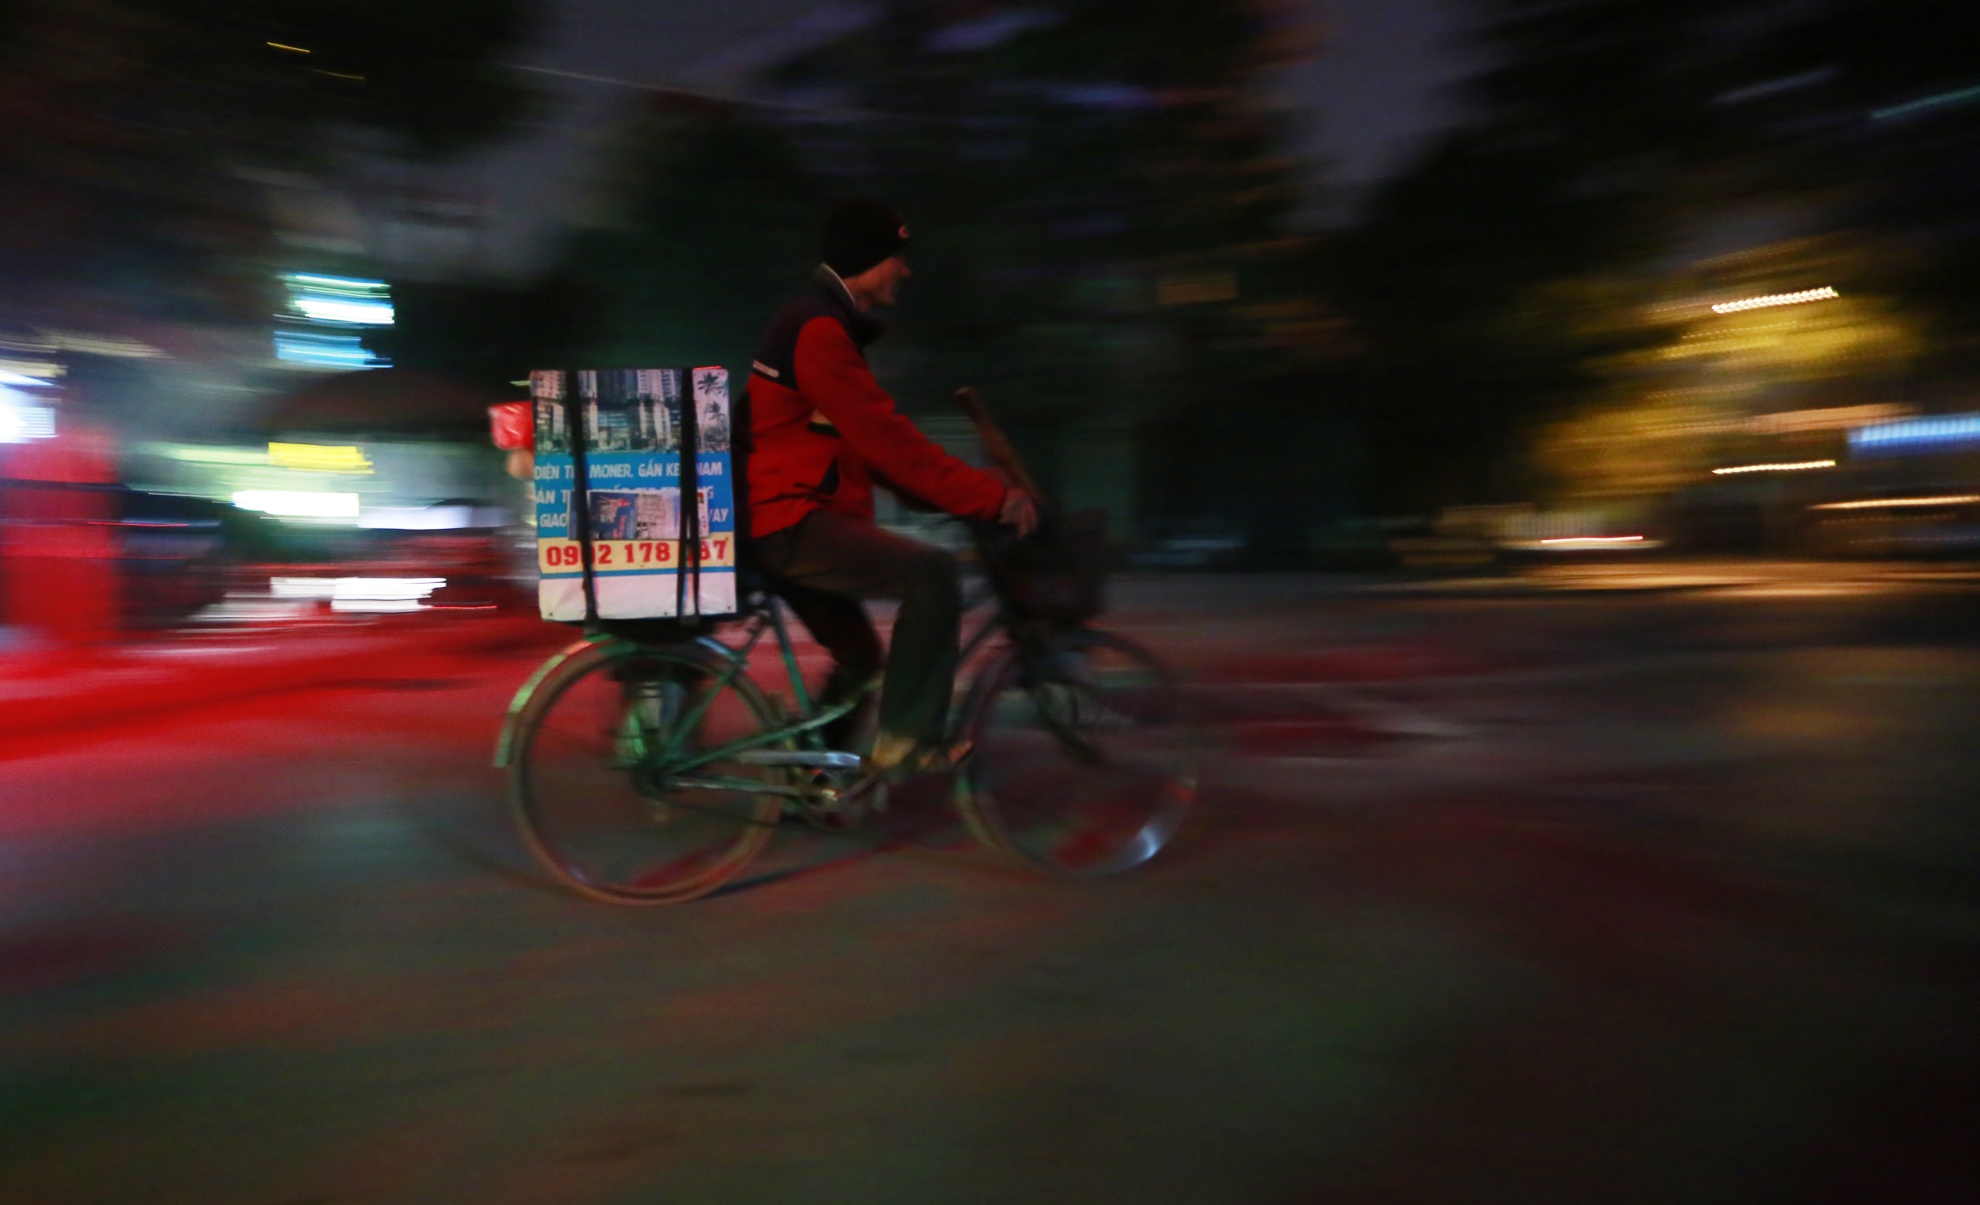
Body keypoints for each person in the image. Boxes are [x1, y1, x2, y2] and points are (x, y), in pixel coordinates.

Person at [747, 197, 1037, 774]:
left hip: (787, 517)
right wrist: (990, 499)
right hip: (789, 521)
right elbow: (889, 443)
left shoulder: (821, 323)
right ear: (865, 259)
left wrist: (969, 494)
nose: (905, 268)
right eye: (894, 256)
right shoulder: (819, 329)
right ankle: (908, 738)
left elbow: (868, 452)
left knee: (861, 659)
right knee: (931, 574)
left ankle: (806, 786)